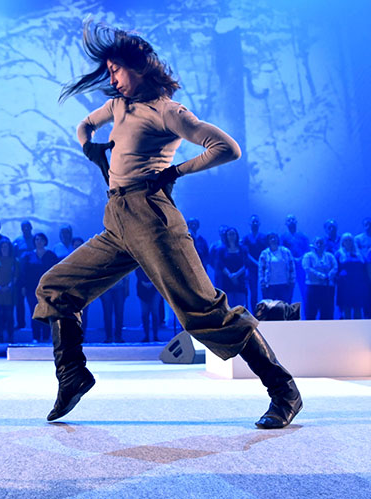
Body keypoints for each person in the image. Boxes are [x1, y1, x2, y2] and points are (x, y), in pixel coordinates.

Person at [35, 23, 301, 428]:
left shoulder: (167, 111)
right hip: (117, 220)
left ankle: (284, 391)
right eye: (108, 71)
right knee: (56, 287)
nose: (112, 79)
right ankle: (72, 375)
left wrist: (175, 170)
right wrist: (91, 148)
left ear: (139, 67)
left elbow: (227, 148)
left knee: (203, 313)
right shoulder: (119, 106)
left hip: (152, 219)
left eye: (116, 70)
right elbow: (84, 125)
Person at [20, 232, 58, 343]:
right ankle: (35, 337)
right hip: (31, 289)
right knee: (34, 311)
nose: (39, 241)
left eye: (41, 239)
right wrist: (23, 286)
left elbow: (56, 272)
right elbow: (24, 272)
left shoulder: (51, 255)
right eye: (37, 239)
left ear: (45, 241)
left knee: (47, 311)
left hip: (48, 288)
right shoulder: (28, 255)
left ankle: (46, 336)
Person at [301, 237, 337, 320]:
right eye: (317, 243)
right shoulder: (308, 256)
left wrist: (329, 275)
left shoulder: (329, 256)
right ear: (313, 244)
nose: (319, 245)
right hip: (313, 286)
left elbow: (335, 267)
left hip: (327, 287)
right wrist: (320, 275)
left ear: (325, 245)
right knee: (311, 312)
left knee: (327, 313)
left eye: (321, 243)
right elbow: (307, 268)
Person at [0, 239, 19, 343]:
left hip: (9, 293)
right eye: (2, 247)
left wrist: (9, 286)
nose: (4, 249)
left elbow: (16, 276)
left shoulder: (14, 261)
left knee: (9, 316)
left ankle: (10, 337)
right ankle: (0, 338)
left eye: (6, 247)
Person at [214, 227, 249, 309]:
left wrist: (236, 275)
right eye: (229, 234)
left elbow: (246, 264)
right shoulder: (221, 250)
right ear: (226, 236)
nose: (231, 236)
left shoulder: (243, 249)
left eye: (233, 234)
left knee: (240, 308)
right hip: (226, 281)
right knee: (228, 307)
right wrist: (230, 275)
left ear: (237, 235)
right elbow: (221, 264)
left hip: (240, 281)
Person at [258, 233, 296, 303]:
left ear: (278, 239)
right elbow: (261, 270)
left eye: (275, 237)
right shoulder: (264, 253)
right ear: (268, 240)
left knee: (285, 307)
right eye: (271, 238)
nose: (273, 239)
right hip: (269, 286)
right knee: (270, 307)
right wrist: (262, 283)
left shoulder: (286, 252)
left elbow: (292, 267)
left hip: (284, 285)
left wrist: (292, 281)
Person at [281, 215, 310, 305]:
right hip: (289, 268)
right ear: (286, 223)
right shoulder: (283, 237)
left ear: (296, 221)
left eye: (293, 219)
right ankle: (287, 312)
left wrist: (300, 258)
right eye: (289, 220)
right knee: (288, 292)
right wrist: (292, 259)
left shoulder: (303, 236)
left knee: (304, 291)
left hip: (301, 266)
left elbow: (307, 250)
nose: (291, 221)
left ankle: (307, 312)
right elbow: (282, 251)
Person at [335, 233, 365, 320]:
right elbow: (335, 269)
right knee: (346, 309)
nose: (348, 242)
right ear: (342, 242)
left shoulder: (359, 254)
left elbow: (364, 268)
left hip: (358, 285)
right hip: (345, 286)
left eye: (350, 240)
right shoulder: (338, 254)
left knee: (358, 309)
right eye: (346, 240)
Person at [12, 220, 36, 330]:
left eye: (28, 227)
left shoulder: (36, 239)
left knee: (34, 301)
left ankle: (36, 324)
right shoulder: (17, 241)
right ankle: (20, 323)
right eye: (24, 227)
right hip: (20, 273)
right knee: (19, 301)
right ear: (21, 229)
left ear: (31, 228)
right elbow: (13, 257)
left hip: (33, 274)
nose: (26, 229)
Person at [241, 215, 267, 312]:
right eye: (253, 222)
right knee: (253, 292)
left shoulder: (264, 237)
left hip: (264, 269)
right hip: (251, 269)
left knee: (265, 291)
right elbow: (246, 253)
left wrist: (261, 263)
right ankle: (255, 313)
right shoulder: (246, 238)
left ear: (259, 224)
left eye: (256, 222)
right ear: (249, 224)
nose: (255, 223)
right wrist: (256, 263)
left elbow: (266, 252)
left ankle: (265, 313)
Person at [98, 274, 128, 343]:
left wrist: (126, 288)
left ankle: (118, 336)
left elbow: (126, 274)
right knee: (107, 314)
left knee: (119, 313)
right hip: (106, 288)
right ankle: (109, 337)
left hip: (119, 287)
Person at [135, 267, 162, 343]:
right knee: (145, 313)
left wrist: (153, 282)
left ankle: (155, 335)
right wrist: (143, 281)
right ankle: (146, 335)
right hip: (142, 288)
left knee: (155, 312)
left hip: (155, 287)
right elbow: (137, 271)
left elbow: (158, 271)